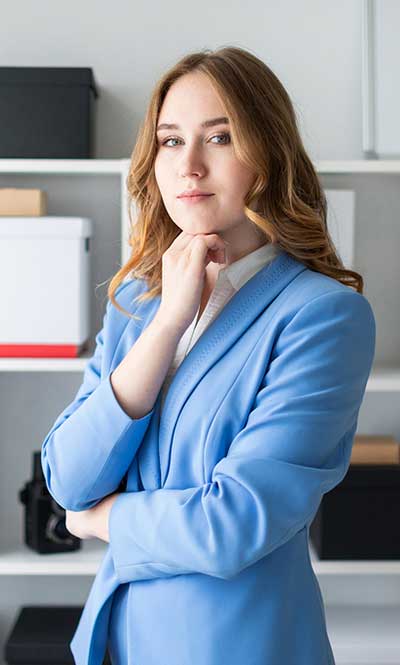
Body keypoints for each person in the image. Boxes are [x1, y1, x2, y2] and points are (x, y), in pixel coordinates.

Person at [41, 46, 376, 665]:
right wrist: (169, 321)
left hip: (236, 645)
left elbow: (231, 525)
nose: (189, 165)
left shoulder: (322, 316)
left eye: (219, 138)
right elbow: (68, 477)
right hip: (116, 641)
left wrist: (98, 521)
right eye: (171, 141)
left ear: (268, 155)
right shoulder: (137, 301)